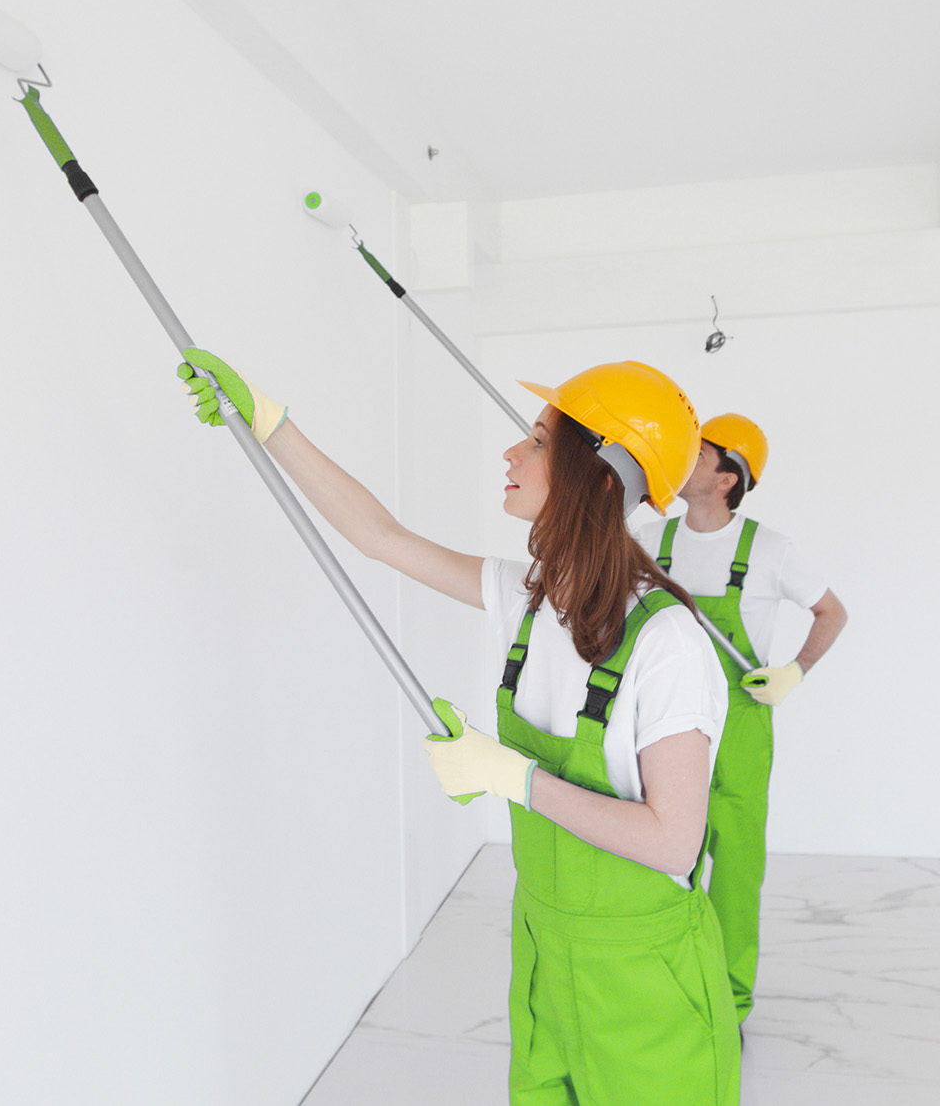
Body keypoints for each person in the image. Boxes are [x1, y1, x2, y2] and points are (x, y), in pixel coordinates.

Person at [177, 352, 740, 1105]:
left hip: (645, 977)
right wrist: (267, 421)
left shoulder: (668, 644)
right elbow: (379, 535)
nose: (511, 453)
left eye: (537, 441)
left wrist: (509, 775)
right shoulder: (533, 600)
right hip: (544, 948)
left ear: (600, 477)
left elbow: (674, 838)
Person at [633, 413, 847, 1026]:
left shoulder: (770, 550)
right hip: (668, 717)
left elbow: (832, 613)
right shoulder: (651, 540)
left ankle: (727, 1005)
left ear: (728, 477)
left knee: (734, 867)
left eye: (697, 453)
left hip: (742, 725)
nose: (683, 459)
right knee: (666, 855)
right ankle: (668, 985)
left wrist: (794, 672)